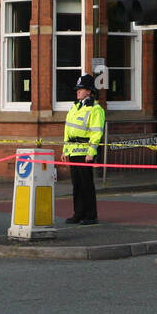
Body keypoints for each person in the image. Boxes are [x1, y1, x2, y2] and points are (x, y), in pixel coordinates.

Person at [63, 72, 105, 225]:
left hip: (85, 152)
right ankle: (78, 213)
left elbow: (96, 133)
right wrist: (65, 150)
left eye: (80, 89)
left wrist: (91, 153)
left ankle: (91, 215)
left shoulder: (95, 109)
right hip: (73, 150)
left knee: (87, 184)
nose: (77, 91)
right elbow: (68, 130)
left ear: (89, 90)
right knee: (77, 184)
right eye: (77, 89)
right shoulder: (75, 107)